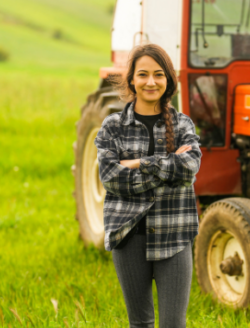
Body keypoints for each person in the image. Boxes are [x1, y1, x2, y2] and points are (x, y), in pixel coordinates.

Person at [95, 43, 202, 328]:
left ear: (168, 80)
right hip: (128, 235)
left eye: (158, 74)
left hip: (175, 235)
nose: (150, 82)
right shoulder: (112, 127)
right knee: (140, 323)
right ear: (131, 79)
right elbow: (111, 178)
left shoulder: (182, 125)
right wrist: (165, 164)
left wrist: (136, 163)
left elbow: (189, 168)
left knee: (172, 324)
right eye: (143, 74)